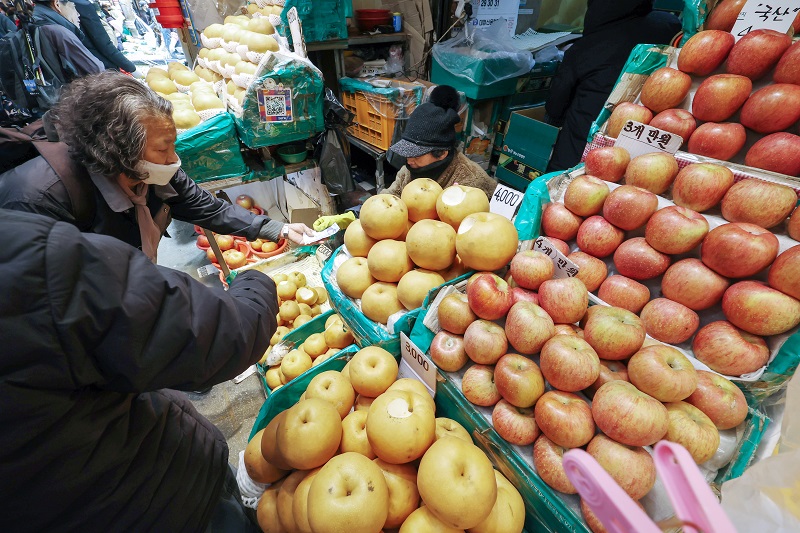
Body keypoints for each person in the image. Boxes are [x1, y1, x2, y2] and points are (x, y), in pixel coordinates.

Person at [0, 208, 276, 531]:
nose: (171, 159)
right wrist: (257, 285)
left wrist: (267, 227)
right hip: (157, 496)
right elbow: (202, 332)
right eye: (163, 152)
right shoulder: (30, 255)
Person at [0, 70, 313, 262]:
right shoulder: (37, 200)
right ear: (118, 147)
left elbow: (207, 208)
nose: (173, 159)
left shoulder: (154, 172)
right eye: (164, 148)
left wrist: (278, 228)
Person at [545, 0, 681, 171]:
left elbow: (555, 106)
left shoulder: (587, 47)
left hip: (578, 153)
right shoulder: (668, 26)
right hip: (640, 154)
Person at [385, 85, 498, 199]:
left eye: (416, 155)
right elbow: (391, 194)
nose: (409, 160)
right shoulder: (408, 170)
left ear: (442, 153)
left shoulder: (471, 182)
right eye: (407, 152)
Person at [74, 0, 136, 72]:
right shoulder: (81, 5)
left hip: (86, 64)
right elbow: (103, 42)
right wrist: (131, 68)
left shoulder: (75, 4)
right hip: (99, 66)